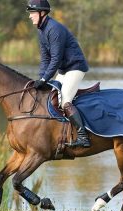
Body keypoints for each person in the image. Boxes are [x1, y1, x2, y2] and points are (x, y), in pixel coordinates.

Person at [27, 0, 91, 148]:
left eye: (32, 13)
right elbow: (45, 58)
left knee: (65, 101)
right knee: (51, 97)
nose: (30, 16)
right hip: (64, 70)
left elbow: (55, 59)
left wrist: (44, 78)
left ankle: (83, 136)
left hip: (75, 67)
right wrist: (41, 79)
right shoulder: (41, 30)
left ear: (42, 13)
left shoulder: (54, 29)